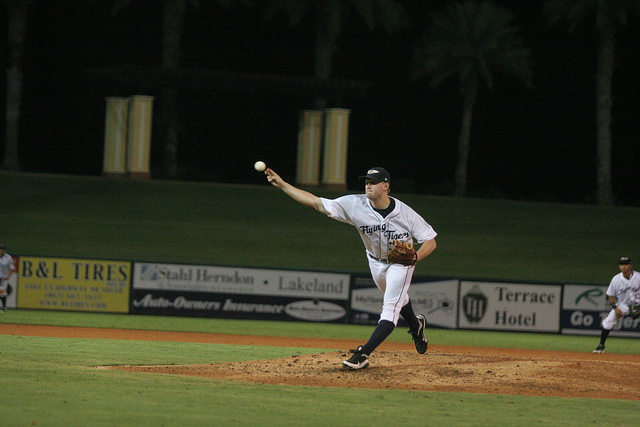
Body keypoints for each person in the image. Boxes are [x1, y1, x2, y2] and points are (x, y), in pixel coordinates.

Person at [265, 167, 437, 369]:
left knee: (390, 307)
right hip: (375, 261)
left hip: (401, 264)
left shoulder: (405, 213)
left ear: (385, 186)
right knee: (398, 297)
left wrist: (415, 257)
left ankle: (363, 354)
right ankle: (416, 326)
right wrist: (283, 185)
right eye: (366, 182)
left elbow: (430, 240)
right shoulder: (354, 204)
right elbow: (316, 203)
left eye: (373, 182)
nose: (368, 186)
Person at [593, 257, 640, 353]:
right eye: (622, 264)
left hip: (638, 304)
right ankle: (601, 345)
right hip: (622, 305)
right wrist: (615, 308)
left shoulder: (638, 277)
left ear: (631, 265)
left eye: (626, 264)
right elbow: (610, 295)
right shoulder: (616, 279)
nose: (624, 266)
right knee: (608, 322)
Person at [0, 244, 16, 313]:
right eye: (1, 249)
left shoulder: (8, 258)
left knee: (2, 292)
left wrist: (8, 277)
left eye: (3, 249)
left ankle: (4, 307)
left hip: (3, 278)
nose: (2, 250)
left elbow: (12, 268)